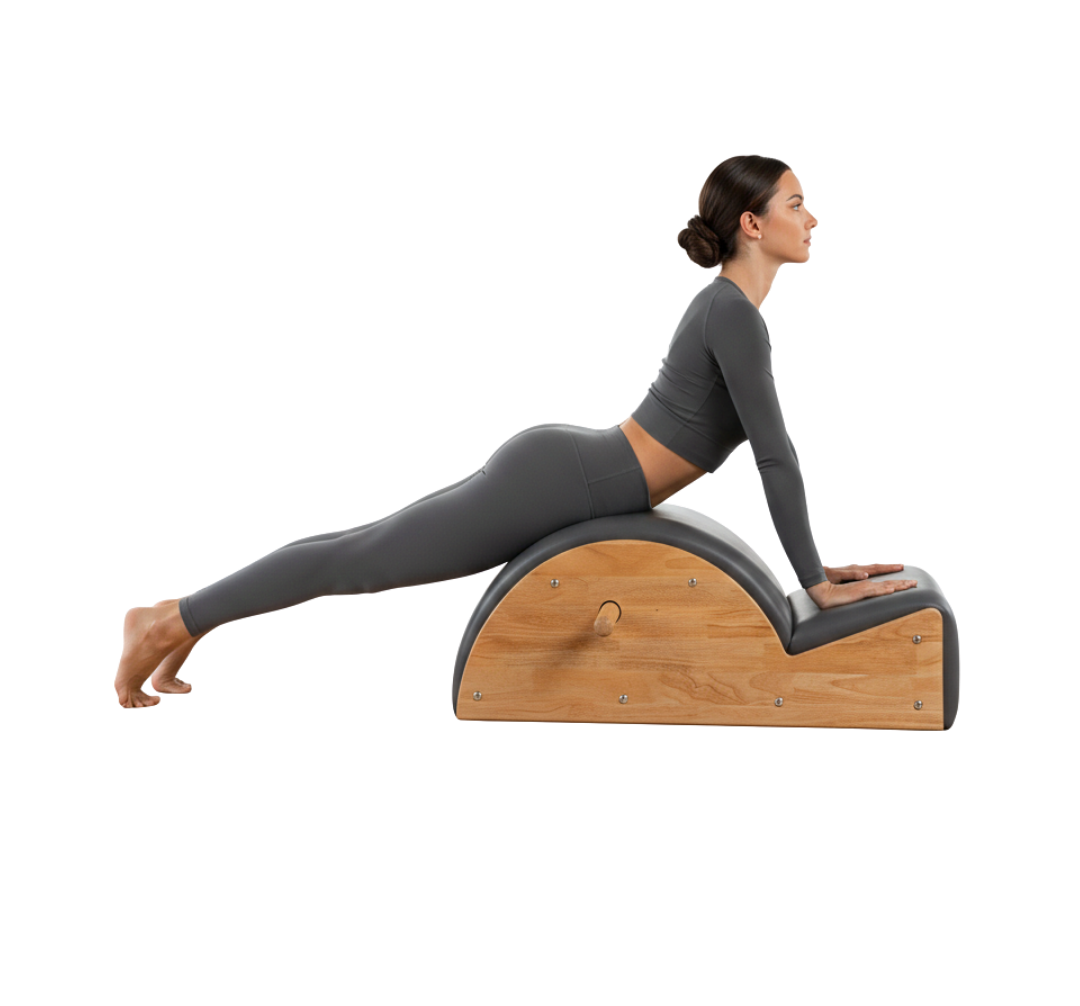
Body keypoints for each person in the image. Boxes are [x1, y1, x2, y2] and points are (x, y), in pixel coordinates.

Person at [116, 154, 916, 709]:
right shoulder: (733, 315)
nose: (812, 216)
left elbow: (773, 459)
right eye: (796, 203)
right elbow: (776, 459)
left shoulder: (731, 311)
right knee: (361, 561)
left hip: (579, 472)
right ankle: (168, 620)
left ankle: (186, 615)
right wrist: (813, 582)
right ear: (751, 223)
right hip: (567, 480)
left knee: (359, 549)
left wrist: (815, 569)